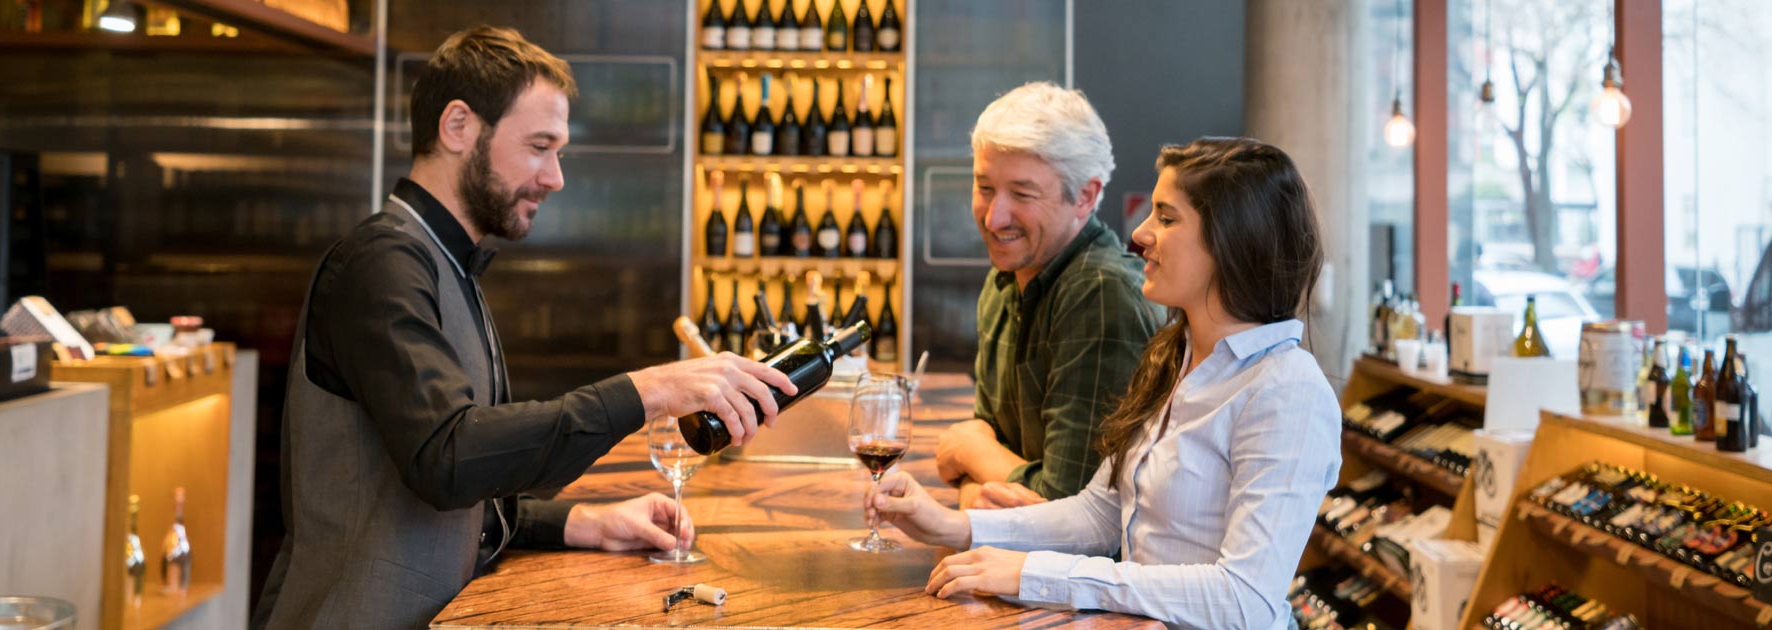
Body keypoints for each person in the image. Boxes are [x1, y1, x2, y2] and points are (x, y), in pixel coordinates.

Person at [251, 26, 797, 630]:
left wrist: (578, 522)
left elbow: (465, 483)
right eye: (540, 146)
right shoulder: (380, 262)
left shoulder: (446, 263)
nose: (555, 176)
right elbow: (448, 456)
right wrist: (650, 391)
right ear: (458, 126)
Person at [872, 137, 1340, 629]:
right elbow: (1099, 513)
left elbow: (1244, 599)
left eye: (1166, 217)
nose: (1140, 233)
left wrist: (1036, 573)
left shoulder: (1287, 391)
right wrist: (954, 526)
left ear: (1232, 240)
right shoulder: (1171, 356)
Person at [935, 82, 1164, 508]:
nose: (993, 215)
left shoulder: (1099, 293)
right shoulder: (1005, 280)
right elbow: (982, 485)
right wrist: (978, 477)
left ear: (1085, 196)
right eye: (984, 188)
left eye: (1022, 194)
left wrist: (971, 452)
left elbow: (1066, 510)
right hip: (1012, 567)